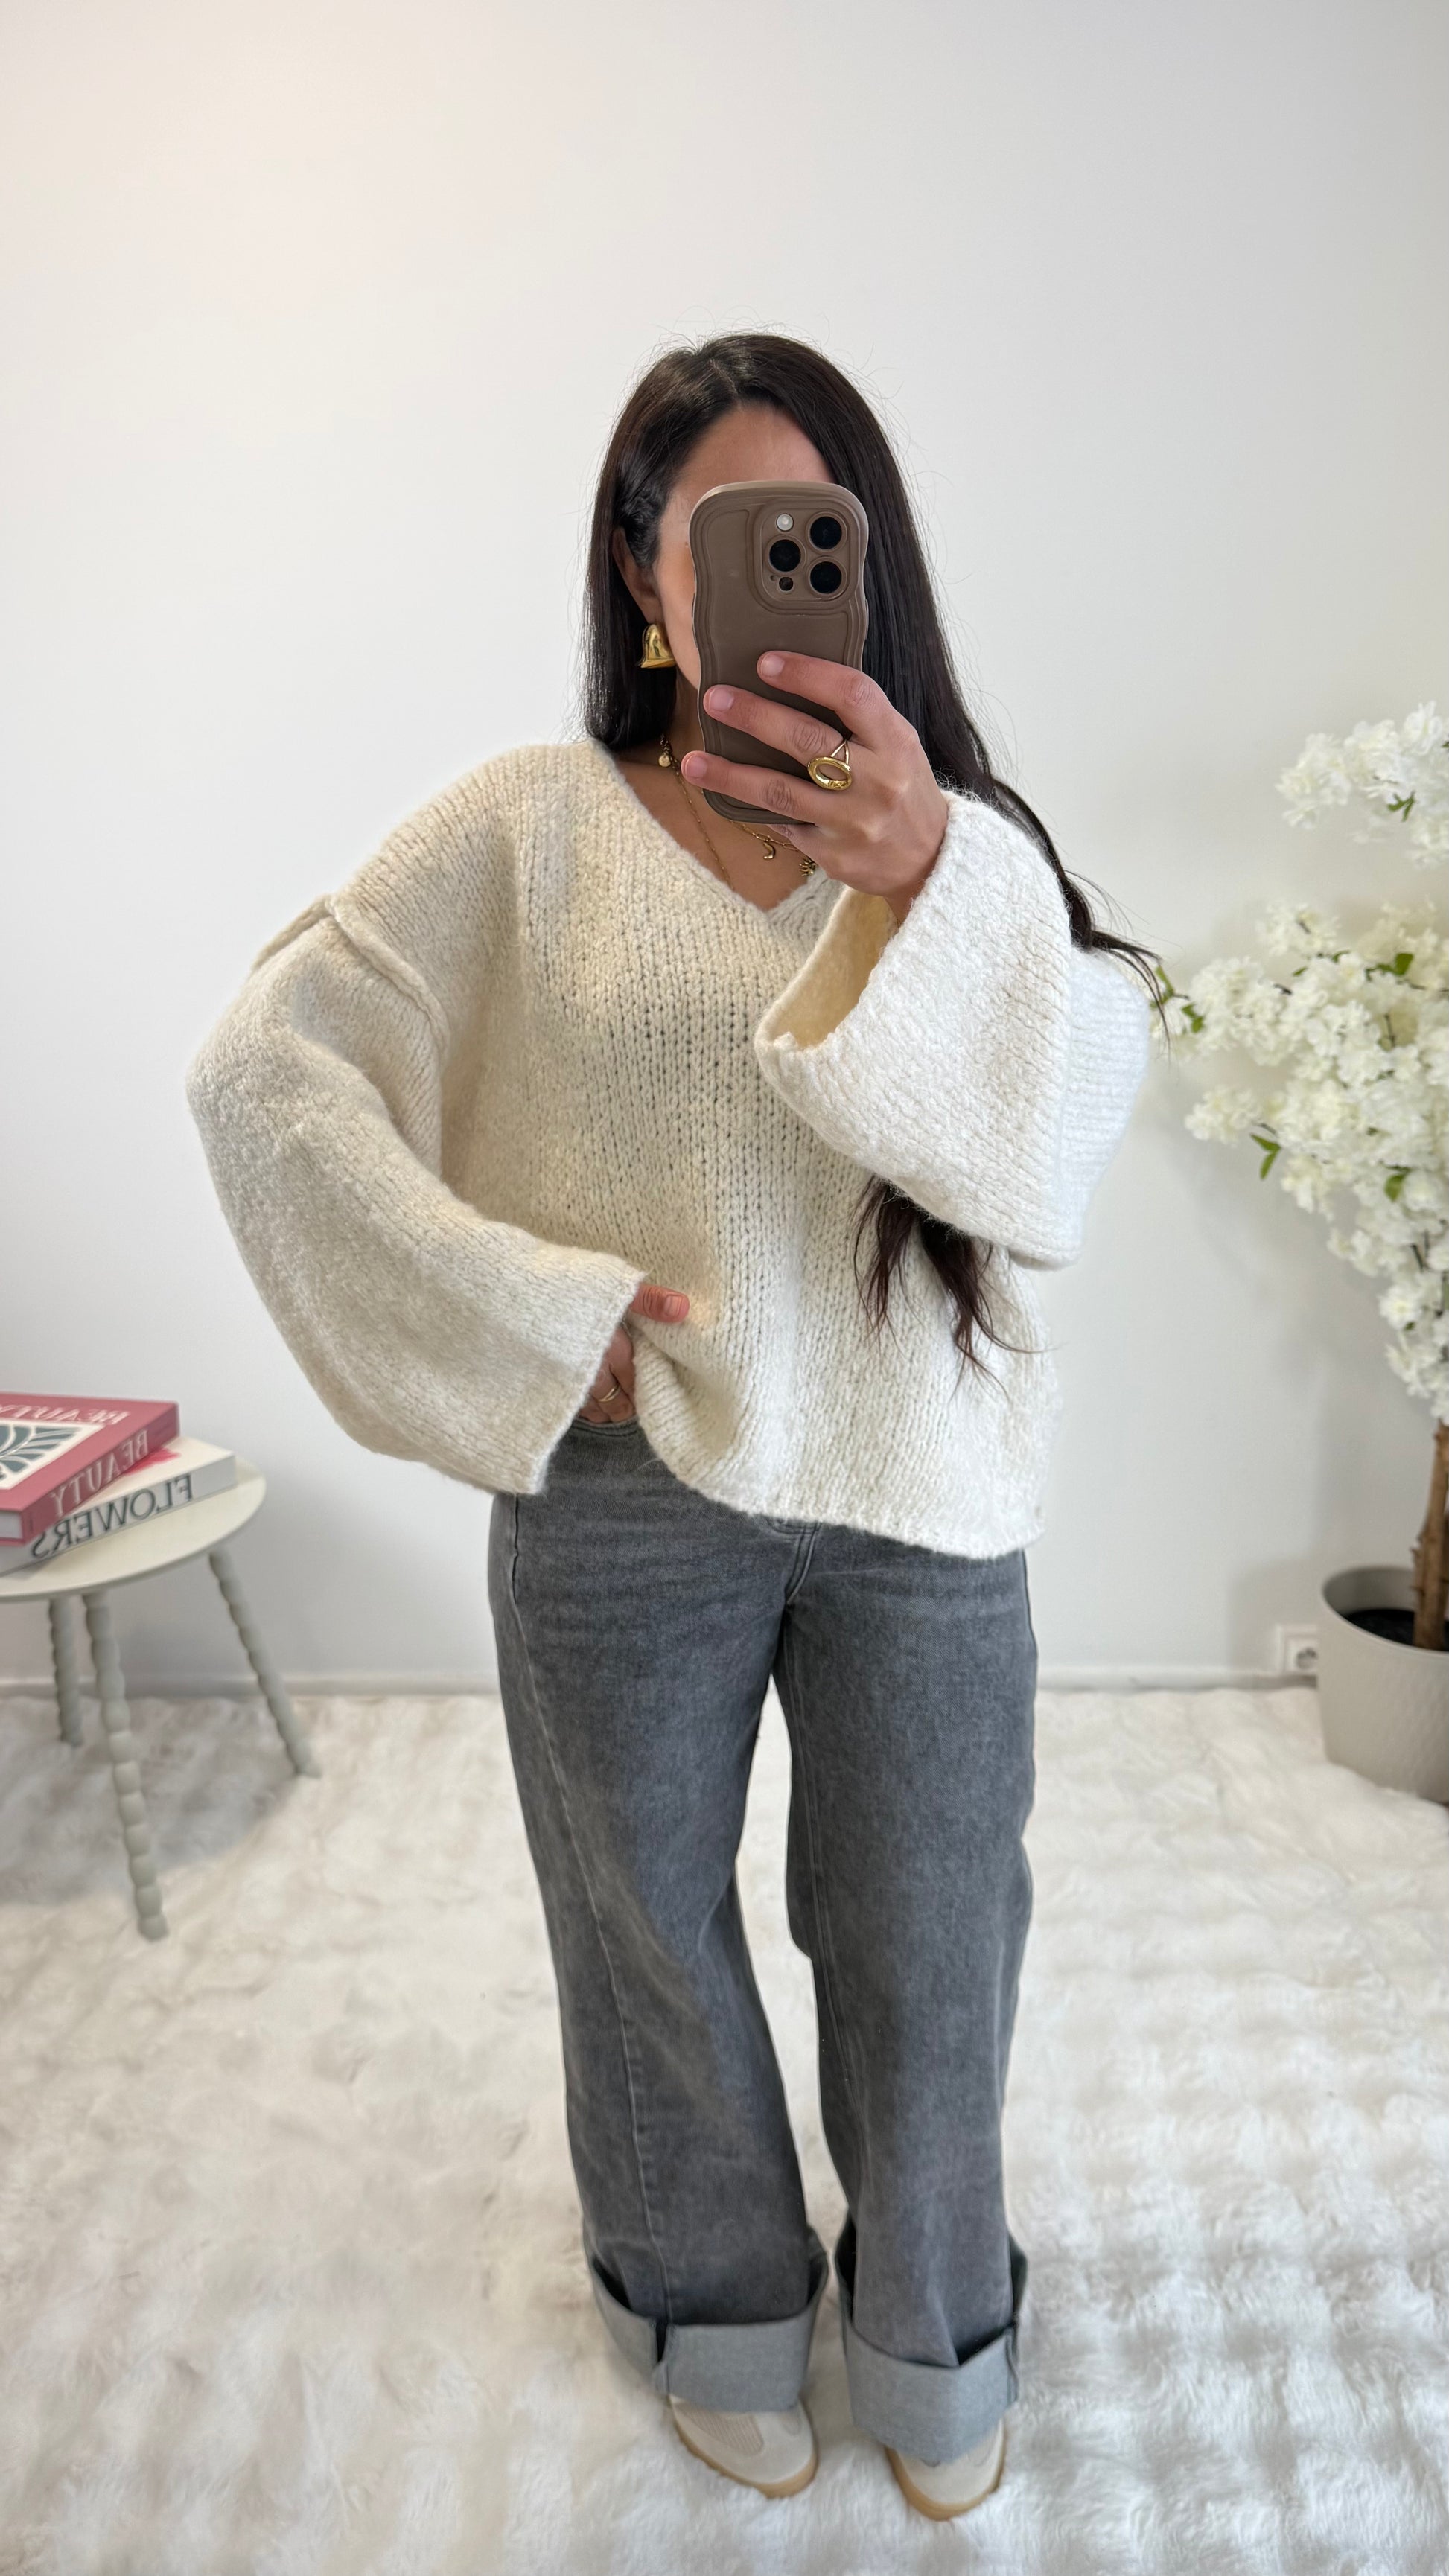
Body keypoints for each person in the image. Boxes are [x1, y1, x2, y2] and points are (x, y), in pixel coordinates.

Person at [185, 331, 1162, 2522]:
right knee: (635, 1916)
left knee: (930, 1931)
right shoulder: (520, 830)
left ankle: (935, 2326)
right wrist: (521, 1309)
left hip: (921, 1477)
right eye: (721, 532)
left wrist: (931, 871)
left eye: (814, 528)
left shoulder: (952, 839)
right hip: (627, 1483)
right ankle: (708, 2302)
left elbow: (1067, 1127)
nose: (768, 570)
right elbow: (266, 1075)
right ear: (645, 573)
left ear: (868, 562)